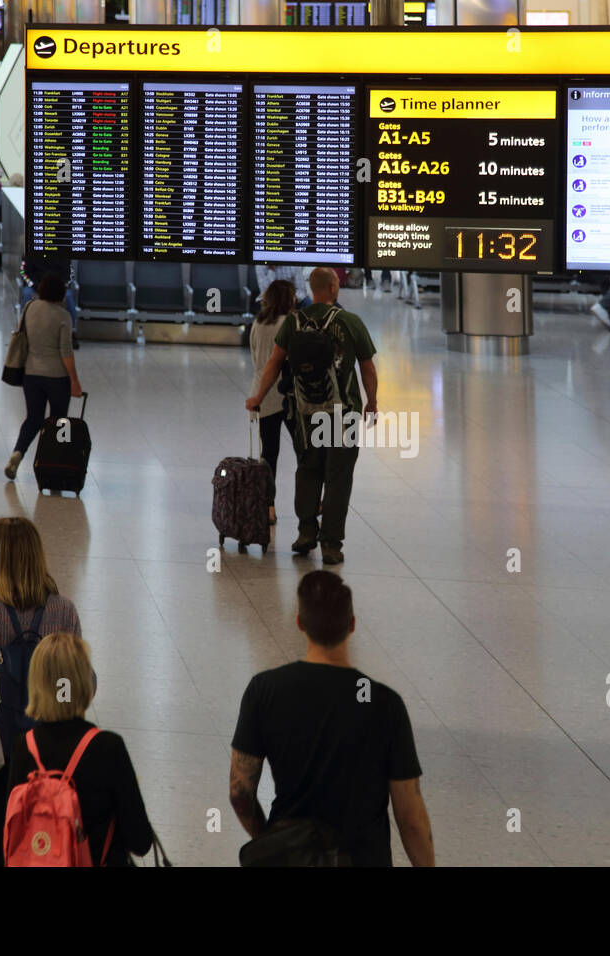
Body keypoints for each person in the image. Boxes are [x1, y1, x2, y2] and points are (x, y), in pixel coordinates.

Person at [230, 572, 433, 866]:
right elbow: (410, 817)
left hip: (290, 857)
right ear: (352, 625)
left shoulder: (265, 690)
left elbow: (239, 793)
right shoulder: (384, 704)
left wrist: (269, 839)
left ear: (299, 623)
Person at [0, 516, 81, 867]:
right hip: (49, 749)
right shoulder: (63, 609)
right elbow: (75, 683)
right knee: (42, 837)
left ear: (3, 557)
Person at [245, 267, 378, 565]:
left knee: (308, 469)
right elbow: (367, 368)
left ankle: (306, 533)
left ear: (312, 288)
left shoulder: (294, 322)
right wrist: (372, 403)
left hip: (304, 412)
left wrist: (258, 397)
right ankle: (330, 544)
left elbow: (274, 365)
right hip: (342, 415)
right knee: (338, 477)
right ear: (333, 288)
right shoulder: (350, 321)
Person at [7, 632, 154, 867]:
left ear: (36, 683)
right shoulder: (108, 747)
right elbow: (140, 841)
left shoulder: (24, 746)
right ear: (86, 683)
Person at [5, 271, 83, 481]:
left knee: (33, 419)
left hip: (31, 375)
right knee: (60, 422)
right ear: (60, 293)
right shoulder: (63, 316)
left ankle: (18, 453)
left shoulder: (29, 308)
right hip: (57, 378)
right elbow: (66, 353)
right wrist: (74, 381)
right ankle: (56, 464)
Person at [250, 279, 297, 526]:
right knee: (303, 449)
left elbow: (255, 356)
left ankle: (268, 506)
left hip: (261, 392)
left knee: (269, 453)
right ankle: (308, 505)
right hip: (285, 393)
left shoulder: (258, 322)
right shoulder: (289, 323)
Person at [19, 251, 77, 344]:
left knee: (69, 297)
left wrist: (62, 287)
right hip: (35, 287)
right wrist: (36, 287)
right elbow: (24, 273)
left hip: (58, 287)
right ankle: (22, 331)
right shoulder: (30, 252)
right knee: (27, 295)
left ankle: (72, 332)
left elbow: (70, 275)